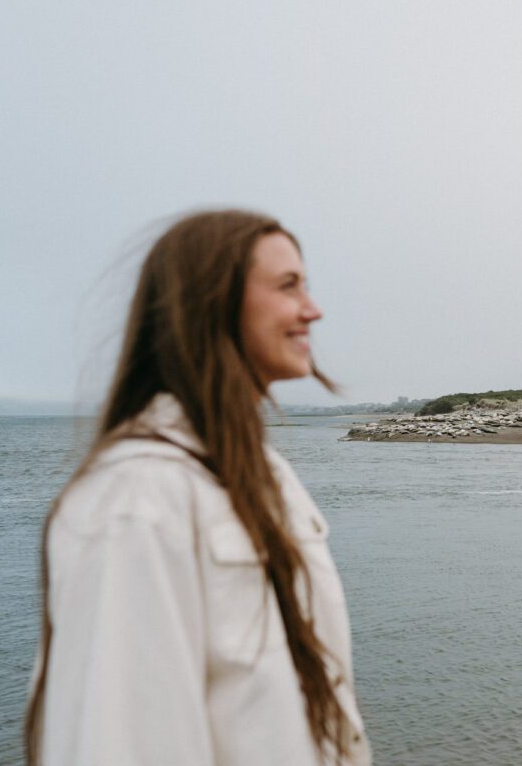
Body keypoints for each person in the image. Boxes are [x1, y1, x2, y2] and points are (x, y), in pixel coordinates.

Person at [24, 210, 370, 765]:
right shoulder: (136, 498)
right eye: (288, 287)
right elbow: (116, 743)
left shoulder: (261, 474)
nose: (314, 309)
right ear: (212, 302)